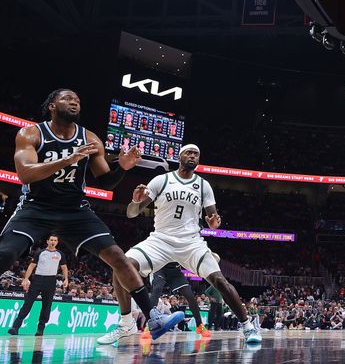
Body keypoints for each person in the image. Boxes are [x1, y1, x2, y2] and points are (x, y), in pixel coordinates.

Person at [0, 89, 183, 339]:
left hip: (75, 210)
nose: (74, 102)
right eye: (67, 99)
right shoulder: (31, 133)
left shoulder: (90, 138)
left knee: (118, 257)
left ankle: (153, 317)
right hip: (36, 207)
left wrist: (123, 167)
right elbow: (26, 173)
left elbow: (106, 181)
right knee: (6, 252)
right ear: (52, 105)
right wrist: (67, 160)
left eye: (77, 100)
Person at [97, 144, 261, 345]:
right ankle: (125, 324)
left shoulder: (203, 185)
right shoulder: (161, 180)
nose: (193, 156)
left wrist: (214, 222)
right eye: (189, 153)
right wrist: (133, 201)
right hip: (161, 240)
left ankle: (247, 327)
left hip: (191, 242)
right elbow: (132, 213)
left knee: (220, 282)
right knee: (121, 265)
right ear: (180, 156)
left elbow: (213, 218)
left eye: (196, 154)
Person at [7, 235, 68, 336]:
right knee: (28, 303)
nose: (53, 242)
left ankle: (40, 330)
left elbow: (64, 267)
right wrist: (26, 279)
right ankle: (15, 327)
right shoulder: (40, 252)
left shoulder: (60, 254)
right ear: (47, 241)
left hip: (51, 280)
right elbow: (31, 266)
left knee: (47, 305)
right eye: (51, 240)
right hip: (38, 279)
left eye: (55, 240)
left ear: (57, 242)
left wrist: (66, 279)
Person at [149, 262, 211, 337]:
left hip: (175, 271)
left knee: (190, 296)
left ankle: (199, 325)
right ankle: (149, 326)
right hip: (159, 268)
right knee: (157, 289)